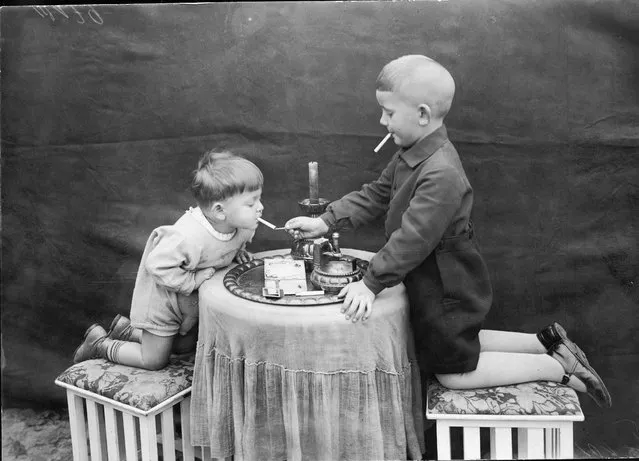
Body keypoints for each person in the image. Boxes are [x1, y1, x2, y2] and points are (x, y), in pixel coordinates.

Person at [285, 55, 611, 408]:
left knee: (452, 371)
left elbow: (413, 239)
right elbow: (377, 194)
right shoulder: (411, 154)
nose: (382, 121)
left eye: (389, 113)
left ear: (423, 115)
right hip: (435, 278)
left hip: (446, 286)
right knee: (460, 341)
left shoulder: (440, 173)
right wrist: (326, 221)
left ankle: (552, 367)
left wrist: (370, 283)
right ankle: (547, 341)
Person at [73, 150, 264, 370]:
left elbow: (231, 244)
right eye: (251, 203)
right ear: (220, 211)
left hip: (188, 304)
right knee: (154, 360)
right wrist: (192, 280)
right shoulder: (187, 237)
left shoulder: (243, 225)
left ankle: (125, 331)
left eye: (259, 198)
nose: (260, 208)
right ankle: (99, 344)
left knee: (182, 347)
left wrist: (237, 253)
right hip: (164, 301)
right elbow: (157, 266)